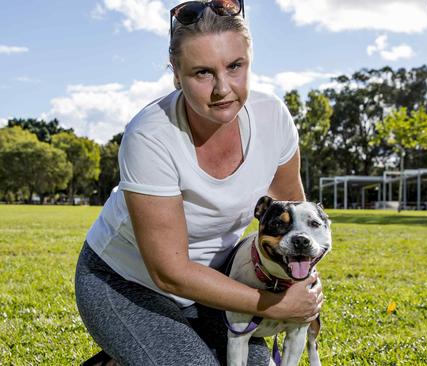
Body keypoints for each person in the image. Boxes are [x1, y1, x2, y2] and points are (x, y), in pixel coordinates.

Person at [74, 1, 323, 365]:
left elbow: (295, 216)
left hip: (218, 283)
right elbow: (170, 273)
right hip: (125, 282)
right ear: (176, 73)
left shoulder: (273, 118)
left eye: (235, 67)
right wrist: (274, 303)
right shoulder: (150, 135)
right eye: (202, 73)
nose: (223, 88)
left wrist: (299, 287)